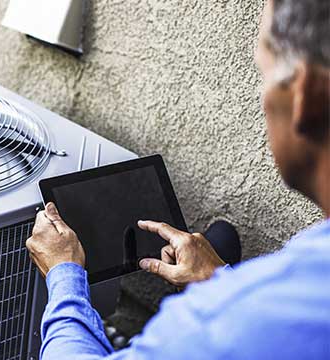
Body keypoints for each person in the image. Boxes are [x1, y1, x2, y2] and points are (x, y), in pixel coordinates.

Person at [25, 0, 330, 358]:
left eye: (264, 73)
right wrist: (219, 281)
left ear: (303, 97)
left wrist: (64, 274)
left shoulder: (218, 323)